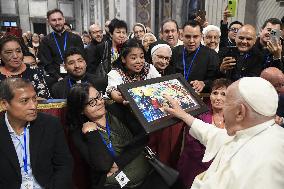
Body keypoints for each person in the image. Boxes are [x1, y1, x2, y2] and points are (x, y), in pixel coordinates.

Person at [164, 76, 284, 189]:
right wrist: (183, 115)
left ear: (240, 112)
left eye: (226, 102)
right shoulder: (257, 132)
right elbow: (213, 133)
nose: (220, 103)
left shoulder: (266, 166)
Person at [66, 83, 169, 189]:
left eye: (99, 96)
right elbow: (103, 165)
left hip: (148, 176)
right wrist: (91, 133)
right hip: (112, 185)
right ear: (81, 110)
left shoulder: (116, 110)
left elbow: (143, 137)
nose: (100, 102)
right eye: (92, 102)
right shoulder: (79, 132)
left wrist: (119, 162)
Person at [0, 78, 73, 188]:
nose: (33, 106)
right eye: (24, 101)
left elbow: (64, 165)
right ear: (5, 104)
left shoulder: (51, 124)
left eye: (34, 99)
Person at [177, 78, 231, 188]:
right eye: (215, 93)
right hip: (194, 169)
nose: (218, 98)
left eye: (223, 94)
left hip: (219, 175)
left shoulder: (234, 120)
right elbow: (192, 148)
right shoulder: (199, 116)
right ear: (210, 95)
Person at [106, 39, 161, 104]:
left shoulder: (149, 68)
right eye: (133, 58)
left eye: (141, 57)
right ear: (123, 59)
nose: (139, 61)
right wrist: (123, 99)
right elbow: (113, 92)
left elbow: (160, 84)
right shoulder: (115, 73)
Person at [171, 20, 220, 93]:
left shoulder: (211, 55)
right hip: (175, 94)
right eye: (188, 36)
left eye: (195, 37)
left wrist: (203, 83)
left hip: (200, 98)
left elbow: (216, 79)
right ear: (181, 36)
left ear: (201, 37)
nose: (191, 41)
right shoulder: (174, 52)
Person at [38, 9, 84, 85]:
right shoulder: (45, 41)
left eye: (59, 19)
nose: (57, 23)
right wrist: (58, 78)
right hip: (56, 80)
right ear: (48, 22)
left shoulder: (76, 38)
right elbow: (46, 63)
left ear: (64, 20)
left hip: (77, 77)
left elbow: (82, 58)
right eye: (53, 20)